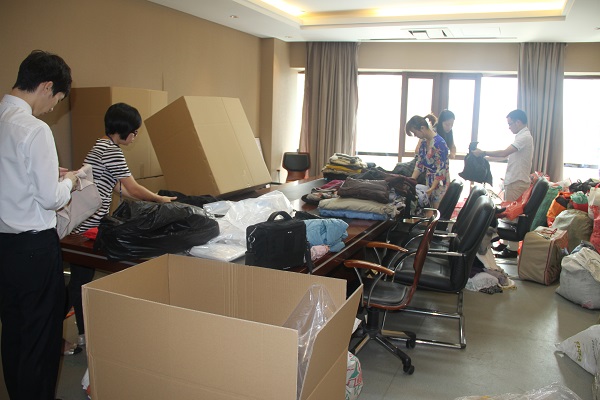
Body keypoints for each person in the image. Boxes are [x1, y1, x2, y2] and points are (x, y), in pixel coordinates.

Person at [0, 50, 77, 399]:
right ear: (46, 86)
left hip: (5, 247)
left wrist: (47, 176)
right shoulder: (34, 128)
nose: (53, 108)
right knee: (40, 339)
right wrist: (69, 181)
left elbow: (13, 178)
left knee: (14, 331)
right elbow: (50, 199)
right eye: (56, 99)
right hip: (34, 249)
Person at [67, 102, 176, 347]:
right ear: (124, 129)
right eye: (134, 132)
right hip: (88, 225)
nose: (135, 136)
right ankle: (84, 334)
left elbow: (120, 188)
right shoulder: (112, 151)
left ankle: (82, 332)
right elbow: (132, 188)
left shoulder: (100, 145)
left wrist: (150, 198)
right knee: (82, 280)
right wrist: (159, 199)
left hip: (83, 221)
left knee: (80, 279)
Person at [472, 109, 534, 258]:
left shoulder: (524, 137)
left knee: (512, 215)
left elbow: (504, 152)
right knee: (507, 213)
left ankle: (511, 249)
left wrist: (484, 152)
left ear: (518, 122)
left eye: (510, 124)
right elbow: (506, 157)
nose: (509, 127)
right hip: (514, 180)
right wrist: (486, 158)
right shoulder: (521, 136)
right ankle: (505, 244)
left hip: (517, 181)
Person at [406, 113, 450, 208]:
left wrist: (432, 188)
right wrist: (411, 181)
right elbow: (419, 164)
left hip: (440, 182)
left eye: (415, 133)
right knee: (427, 207)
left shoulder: (439, 143)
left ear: (422, 128)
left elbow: (441, 169)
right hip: (429, 179)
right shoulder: (424, 142)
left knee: (436, 210)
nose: (415, 135)